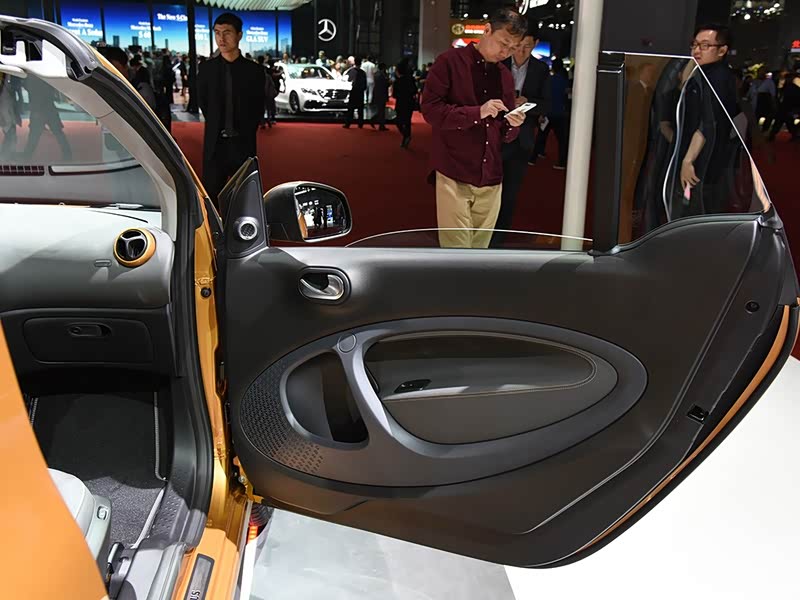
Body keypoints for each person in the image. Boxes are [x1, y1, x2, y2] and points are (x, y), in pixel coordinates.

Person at [421, 8, 527, 249]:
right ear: (487, 30)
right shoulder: (449, 62)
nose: (506, 52)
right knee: (457, 252)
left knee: (480, 254)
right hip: (454, 171)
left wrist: (513, 125)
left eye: (513, 48)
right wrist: (476, 112)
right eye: (503, 43)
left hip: (492, 176)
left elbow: (504, 132)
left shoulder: (504, 76)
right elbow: (430, 110)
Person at [197, 12, 266, 209]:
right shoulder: (207, 69)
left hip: (242, 143)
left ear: (239, 35)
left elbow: (257, 107)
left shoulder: (254, 71)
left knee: (243, 200)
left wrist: (245, 131)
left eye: (227, 32)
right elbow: (204, 103)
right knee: (211, 198)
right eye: (217, 33)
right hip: (215, 144)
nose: (221, 38)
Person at [491, 27, 551, 248]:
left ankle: (498, 237)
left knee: (510, 192)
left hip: (522, 139)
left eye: (527, 46)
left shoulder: (541, 70)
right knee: (488, 189)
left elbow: (547, 104)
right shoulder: (498, 64)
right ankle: (482, 232)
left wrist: (528, 103)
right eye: (518, 45)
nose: (521, 51)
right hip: (495, 136)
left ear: (535, 44)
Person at [676, 23, 739, 217]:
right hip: (700, 153)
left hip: (705, 158)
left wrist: (688, 160)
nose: (696, 50)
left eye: (705, 45)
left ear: (722, 50)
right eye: (694, 44)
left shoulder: (717, 78)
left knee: (698, 210)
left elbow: (708, 122)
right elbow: (683, 84)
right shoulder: (705, 73)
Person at [532, 58, 570, 169]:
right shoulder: (564, 81)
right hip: (560, 113)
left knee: (541, 135)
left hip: (548, 113)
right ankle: (562, 162)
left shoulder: (549, 80)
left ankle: (534, 157)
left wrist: (542, 113)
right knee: (562, 140)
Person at [393, 59, 417, 147]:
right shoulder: (410, 80)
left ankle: (406, 135)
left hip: (400, 103)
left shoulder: (397, 82)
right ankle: (406, 138)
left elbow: (394, 95)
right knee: (407, 121)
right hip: (409, 102)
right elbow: (414, 91)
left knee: (398, 121)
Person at [748, 66, 776, 133]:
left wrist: (772, 103)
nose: (761, 73)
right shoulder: (754, 81)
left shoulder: (769, 82)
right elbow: (750, 92)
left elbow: (773, 94)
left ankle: (764, 131)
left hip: (764, 102)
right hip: (754, 102)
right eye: (760, 72)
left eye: (763, 72)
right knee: (754, 119)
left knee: (766, 117)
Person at [343, 57, 367, 129]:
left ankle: (348, 123)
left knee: (351, 108)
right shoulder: (363, 72)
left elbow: (349, 80)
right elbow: (365, 84)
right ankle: (360, 124)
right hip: (360, 92)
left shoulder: (352, 71)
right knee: (360, 109)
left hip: (354, 91)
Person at [370, 63, 390, 131]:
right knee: (381, 110)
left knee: (381, 110)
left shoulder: (377, 74)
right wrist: (388, 82)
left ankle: (380, 124)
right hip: (381, 93)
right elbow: (384, 84)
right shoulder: (382, 75)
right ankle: (379, 124)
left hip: (378, 93)